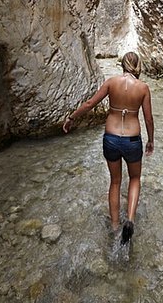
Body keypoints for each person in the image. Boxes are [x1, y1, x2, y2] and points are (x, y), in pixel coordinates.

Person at [62, 51, 154, 244]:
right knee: (135, 178)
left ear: (123, 64)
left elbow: (89, 104)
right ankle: (129, 219)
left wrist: (72, 117)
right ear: (138, 66)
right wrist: (150, 140)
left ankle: (114, 226)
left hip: (111, 138)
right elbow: (148, 118)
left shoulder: (112, 82)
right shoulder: (143, 88)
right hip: (132, 140)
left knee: (115, 181)